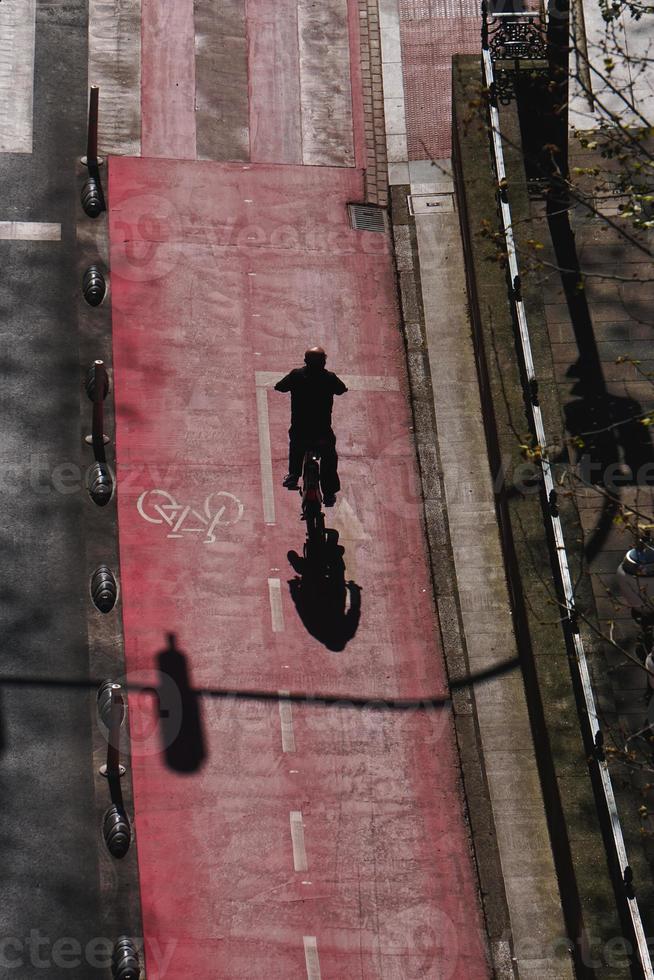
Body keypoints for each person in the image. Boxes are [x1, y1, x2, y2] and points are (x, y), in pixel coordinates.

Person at [274, 347, 347, 506]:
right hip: (322, 432)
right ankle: (329, 493)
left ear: (306, 361)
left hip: (301, 430)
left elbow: (279, 386)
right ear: (324, 361)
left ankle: (294, 475)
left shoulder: (296, 375)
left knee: (296, 445)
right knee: (329, 459)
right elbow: (342, 390)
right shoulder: (329, 378)